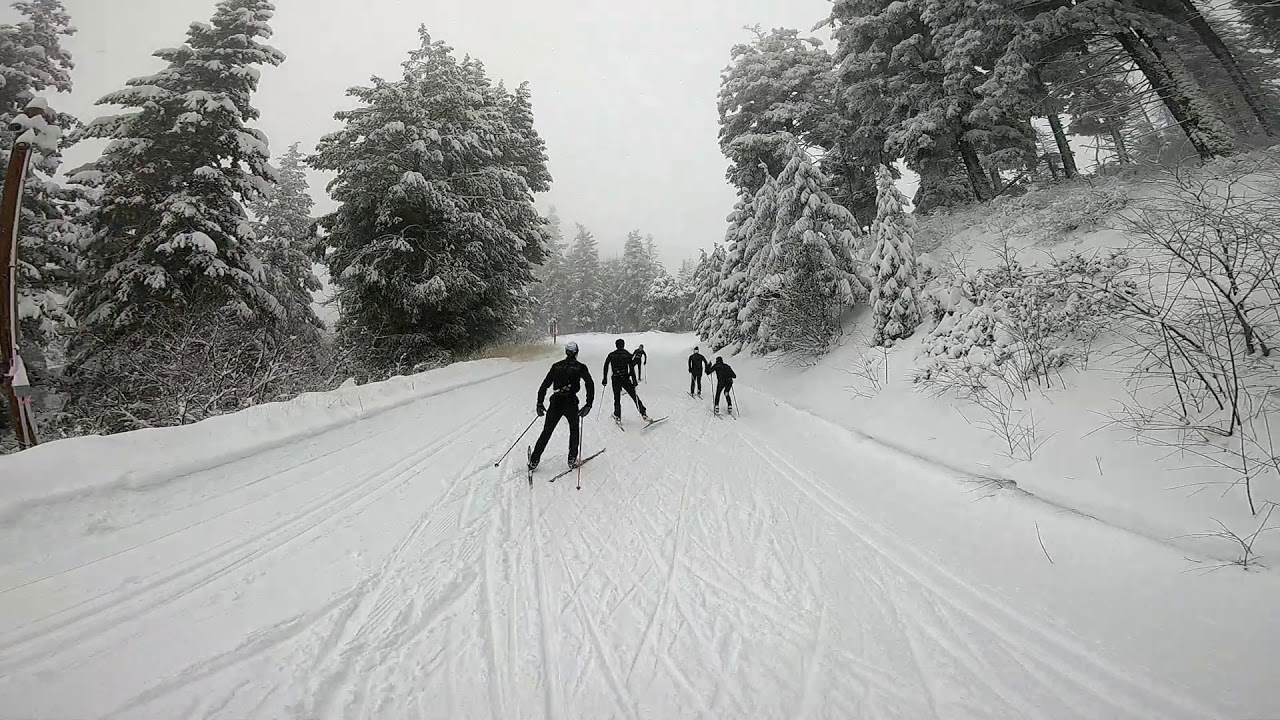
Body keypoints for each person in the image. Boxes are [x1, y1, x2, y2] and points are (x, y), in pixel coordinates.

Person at [530, 340, 594, 470]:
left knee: (547, 431)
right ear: (576, 353)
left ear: (566, 352)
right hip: (571, 402)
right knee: (574, 430)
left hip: (556, 402)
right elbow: (589, 384)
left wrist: (539, 402)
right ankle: (572, 459)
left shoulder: (556, 366)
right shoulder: (580, 367)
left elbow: (545, 385)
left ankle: (534, 461)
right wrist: (588, 404)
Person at [602, 338, 649, 422]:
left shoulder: (611, 355)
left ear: (616, 345)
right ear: (623, 345)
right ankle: (643, 413)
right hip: (625, 378)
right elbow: (631, 368)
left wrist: (604, 378)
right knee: (634, 396)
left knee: (617, 398)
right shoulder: (627, 354)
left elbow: (606, 366)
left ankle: (618, 415)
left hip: (616, 378)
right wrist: (634, 380)